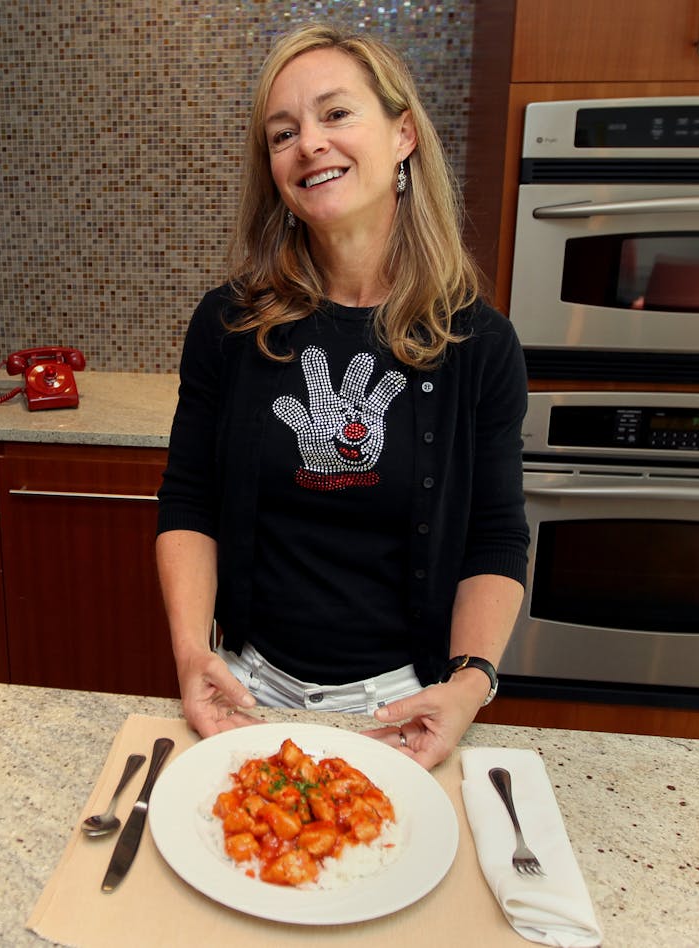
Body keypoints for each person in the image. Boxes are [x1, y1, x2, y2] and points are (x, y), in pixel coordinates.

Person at [155, 23, 528, 770]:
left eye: (335, 114)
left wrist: (469, 682)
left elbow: (495, 536)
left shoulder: (479, 345)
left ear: (403, 135)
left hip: (401, 708)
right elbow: (189, 502)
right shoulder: (227, 325)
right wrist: (195, 652)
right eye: (283, 131)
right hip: (246, 690)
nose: (309, 144)